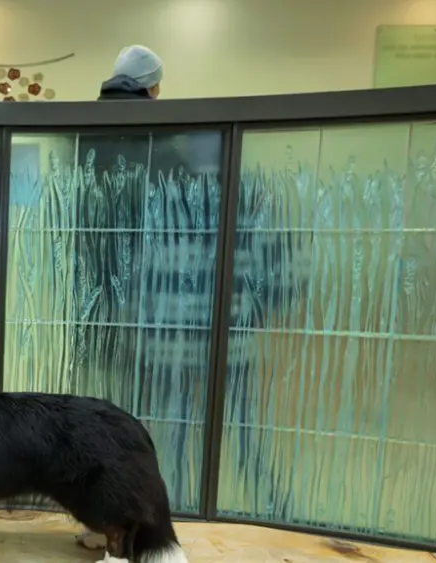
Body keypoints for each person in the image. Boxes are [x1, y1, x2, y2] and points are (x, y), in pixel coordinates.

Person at [78, 46, 306, 514]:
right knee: (205, 418)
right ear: (154, 87)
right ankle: (198, 502)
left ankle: (119, 506)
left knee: (129, 413)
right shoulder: (178, 145)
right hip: (199, 320)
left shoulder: (85, 136)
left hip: (127, 316)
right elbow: (270, 269)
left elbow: (89, 240)